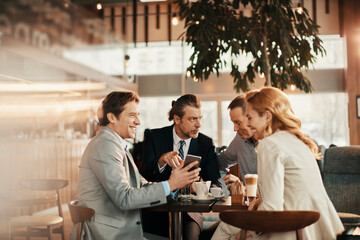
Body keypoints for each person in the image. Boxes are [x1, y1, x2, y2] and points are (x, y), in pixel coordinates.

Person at [214, 87, 344, 240]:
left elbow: (271, 210)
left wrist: (248, 234)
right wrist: (260, 200)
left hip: (290, 229)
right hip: (315, 229)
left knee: (225, 227)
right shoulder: (296, 141)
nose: (248, 125)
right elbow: (292, 190)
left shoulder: (269, 145)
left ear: (267, 116)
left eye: (250, 118)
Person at [74, 91, 201, 240]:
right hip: (110, 235)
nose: (138, 122)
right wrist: (170, 184)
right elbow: (124, 198)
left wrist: (174, 186)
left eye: (138, 115)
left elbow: (141, 185)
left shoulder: (116, 144)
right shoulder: (105, 145)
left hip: (123, 231)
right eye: (132, 115)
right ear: (112, 117)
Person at [140, 94, 221, 240]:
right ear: (177, 119)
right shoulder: (155, 136)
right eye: (192, 119)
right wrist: (162, 161)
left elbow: (215, 181)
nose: (199, 125)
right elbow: (144, 175)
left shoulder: (206, 143)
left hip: (190, 211)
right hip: (157, 208)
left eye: (200, 118)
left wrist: (201, 187)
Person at [217, 95, 258, 186]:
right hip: (250, 199)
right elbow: (223, 160)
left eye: (238, 123)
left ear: (251, 118)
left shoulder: (272, 144)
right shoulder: (240, 139)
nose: (235, 129)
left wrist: (244, 186)